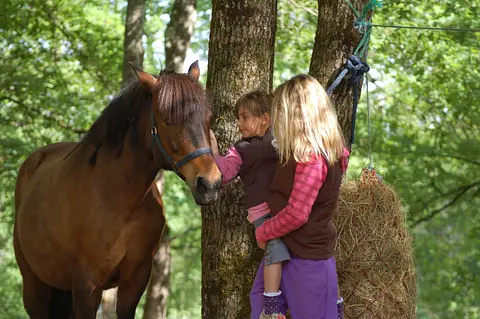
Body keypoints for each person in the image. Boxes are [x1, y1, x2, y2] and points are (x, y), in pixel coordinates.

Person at [250, 74, 350, 319]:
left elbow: (297, 213)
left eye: (280, 113)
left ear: (297, 115)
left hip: (307, 260)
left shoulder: (313, 160)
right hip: (288, 251)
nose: (275, 121)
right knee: (262, 308)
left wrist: (263, 232)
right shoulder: (307, 155)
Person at [210, 91, 290, 319]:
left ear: (265, 118)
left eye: (245, 117)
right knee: (275, 246)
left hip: (285, 210)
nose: (239, 123)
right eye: (238, 118)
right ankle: (272, 307)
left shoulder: (282, 138)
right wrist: (215, 151)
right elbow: (224, 173)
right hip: (262, 214)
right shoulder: (240, 148)